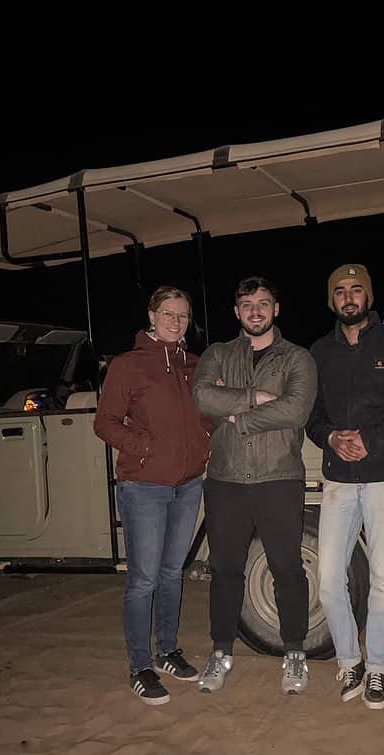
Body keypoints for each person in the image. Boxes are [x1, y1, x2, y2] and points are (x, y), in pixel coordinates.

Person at [190, 276, 318, 695]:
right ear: (237, 312)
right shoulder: (217, 353)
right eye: (247, 304)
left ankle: (295, 653)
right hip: (225, 479)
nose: (256, 311)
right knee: (225, 571)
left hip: (278, 478)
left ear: (276, 309)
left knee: (287, 570)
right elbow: (203, 398)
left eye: (264, 303)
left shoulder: (298, 357)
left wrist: (238, 413)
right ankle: (220, 652)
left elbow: (296, 411)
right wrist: (260, 398)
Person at [306, 264, 384, 710]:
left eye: (357, 290)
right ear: (331, 300)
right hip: (338, 479)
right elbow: (312, 415)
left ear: (368, 296)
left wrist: (370, 441)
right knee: (330, 580)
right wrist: (331, 438)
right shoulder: (319, 352)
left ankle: (378, 669)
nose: (349, 297)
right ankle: (349, 659)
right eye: (340, 291)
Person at [93, 285, 213, 706]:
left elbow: (207, 416)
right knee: (143, 579)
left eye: (182, 315)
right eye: (169, 313)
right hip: (144, 485)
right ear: (152, 314)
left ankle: (167, 651)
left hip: (188, 484)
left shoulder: (195, 365)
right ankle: (139, 666)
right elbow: (104, 422)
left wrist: (208, 438)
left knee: (171, 573)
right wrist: (144, 447)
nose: (176, 321)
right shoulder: (129, 365)